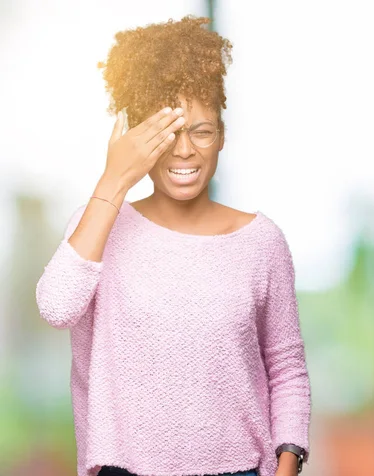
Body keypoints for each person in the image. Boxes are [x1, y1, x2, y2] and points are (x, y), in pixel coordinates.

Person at [35, 16, 311, 476]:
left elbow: (286, 367)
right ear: (137, 138)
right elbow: (56, 306)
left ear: (221, 136)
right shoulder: (98, 227)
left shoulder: (262, 242)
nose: (184, 150)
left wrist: (288, 463)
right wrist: (113, 178)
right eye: (167, 132)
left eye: (201, 131)